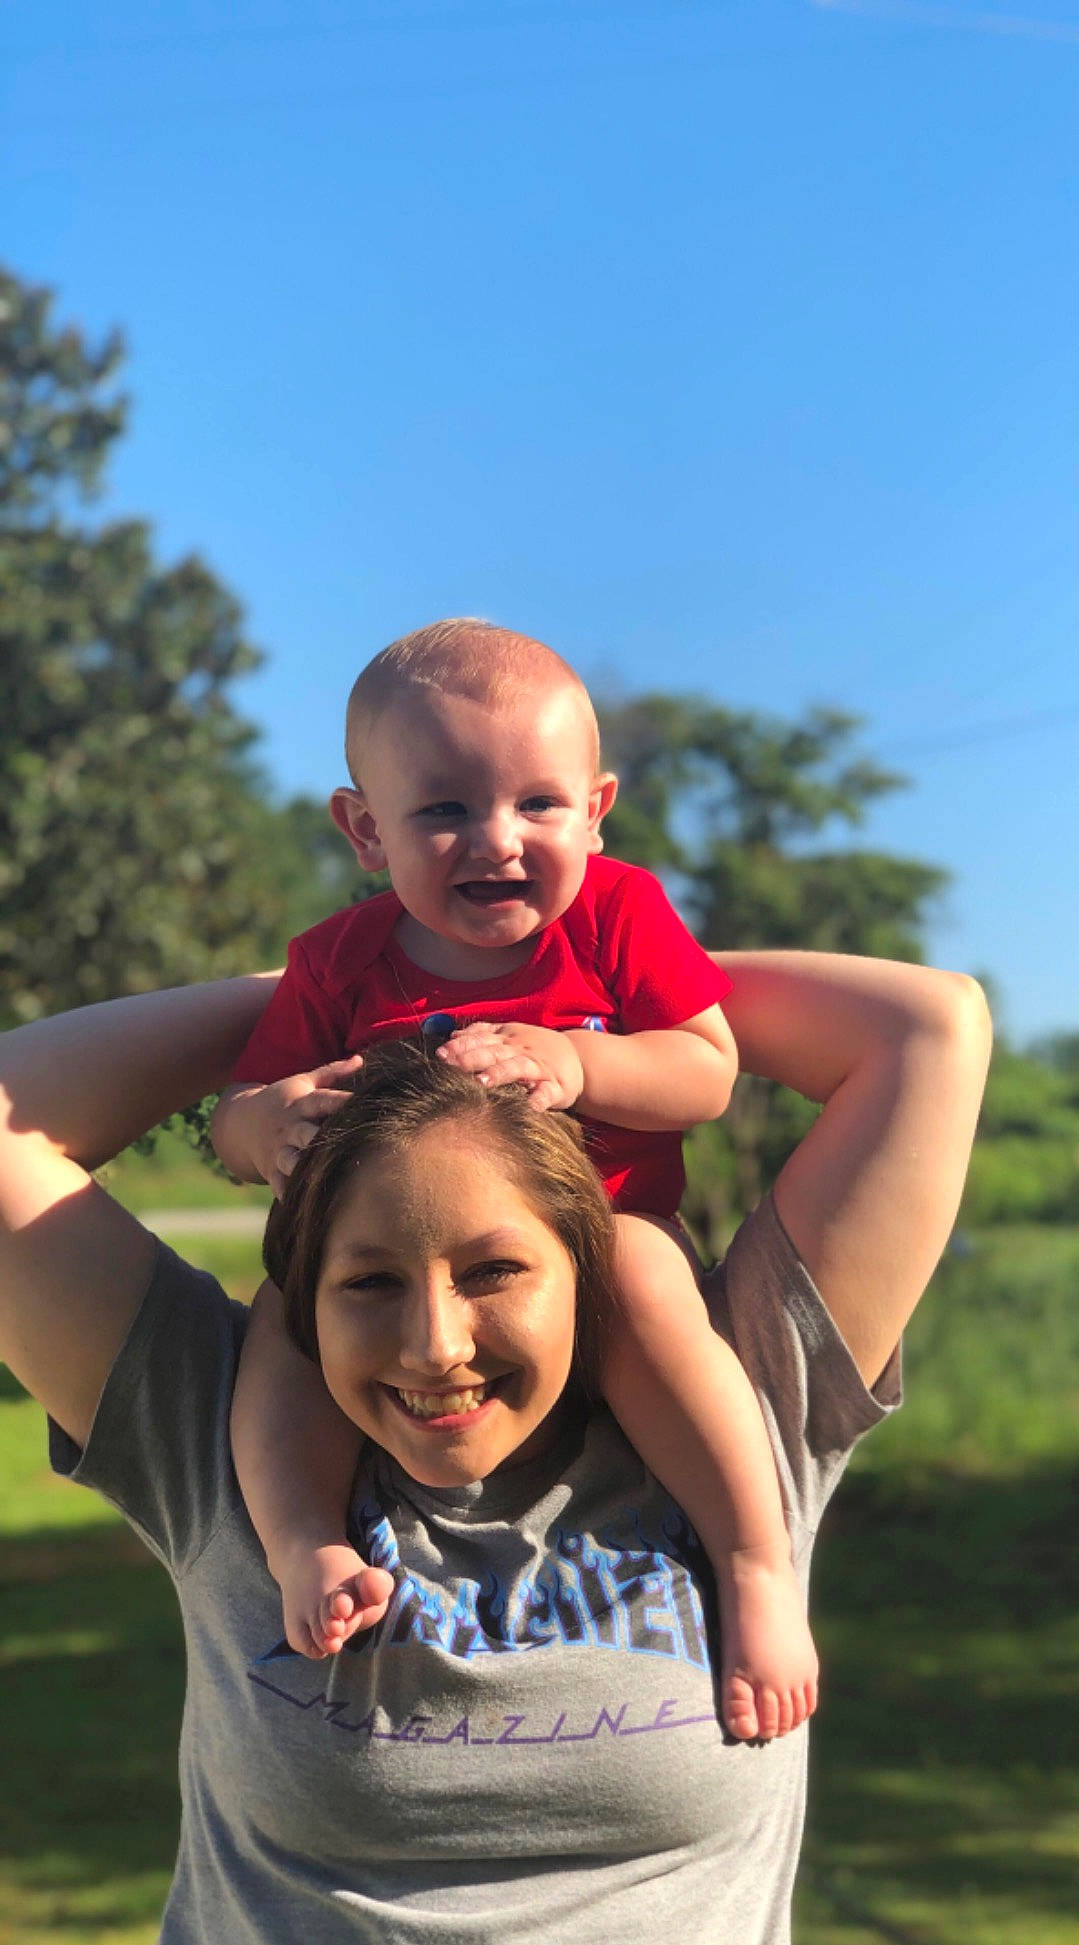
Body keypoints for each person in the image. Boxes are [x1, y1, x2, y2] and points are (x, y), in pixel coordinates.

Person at [0, 950, 988, 1945]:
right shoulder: (228, 1439)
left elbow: (926, 1032)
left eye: (494, 1270)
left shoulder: (736, 1421)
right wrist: (340, 975)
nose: (435, 1345)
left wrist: (525, 978)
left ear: (587, 1263)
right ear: (305, 1300)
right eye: (368, 1280)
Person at [213, 617, 813, 1740]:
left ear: (597, 809)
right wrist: (270, 1126)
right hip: (402, 1273)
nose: (495, 838)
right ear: (363, 829)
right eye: (441, 809)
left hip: (603, 1246)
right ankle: (307, 1542)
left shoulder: (617, 914)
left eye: (538, 803)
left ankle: (757, 1561)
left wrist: (582, 1059)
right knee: (285, 1310)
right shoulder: (336, 962)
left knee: (639, 1262)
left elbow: (707, 1069)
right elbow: (241, 1112)